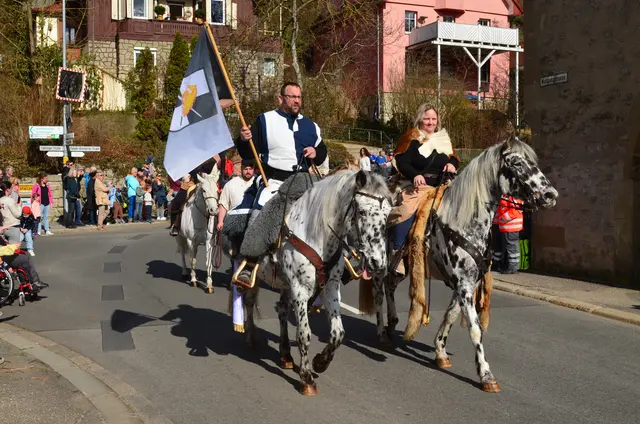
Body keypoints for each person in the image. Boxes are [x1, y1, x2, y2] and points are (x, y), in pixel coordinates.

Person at [232, 82, 328, 286]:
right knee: (260, 213)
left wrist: (315, 152)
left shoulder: (311, 126)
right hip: (274, 180)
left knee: (330, 210)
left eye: (299, 97)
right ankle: (250, 263)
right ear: (280, 98)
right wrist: (243, 139)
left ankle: (337, 261)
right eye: (292, 97)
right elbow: (248, 153)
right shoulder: (265, 120)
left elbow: (322, 152)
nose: (297, 101)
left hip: (303, 181)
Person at [387, 104, 459, 276]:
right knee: (405, 211)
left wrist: (452, 164)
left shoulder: (443, 139)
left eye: (434, 119)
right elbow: (402, 162)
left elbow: (454, 158)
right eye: (427, 118)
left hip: (442, 186)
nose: (430, 122)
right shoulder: (411, 137)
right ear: (420, 119)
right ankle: (397, 252)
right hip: (418, 186)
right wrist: (415, 175)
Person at [491, 195, 524, 274]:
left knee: (512, 247)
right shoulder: (505, 196)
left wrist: (502, 219)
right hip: (505, 226)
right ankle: (498, 264)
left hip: (511, 226)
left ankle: (513, 268)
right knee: (503, 246)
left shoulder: (514, 196)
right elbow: (501, 210)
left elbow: (514, 211)